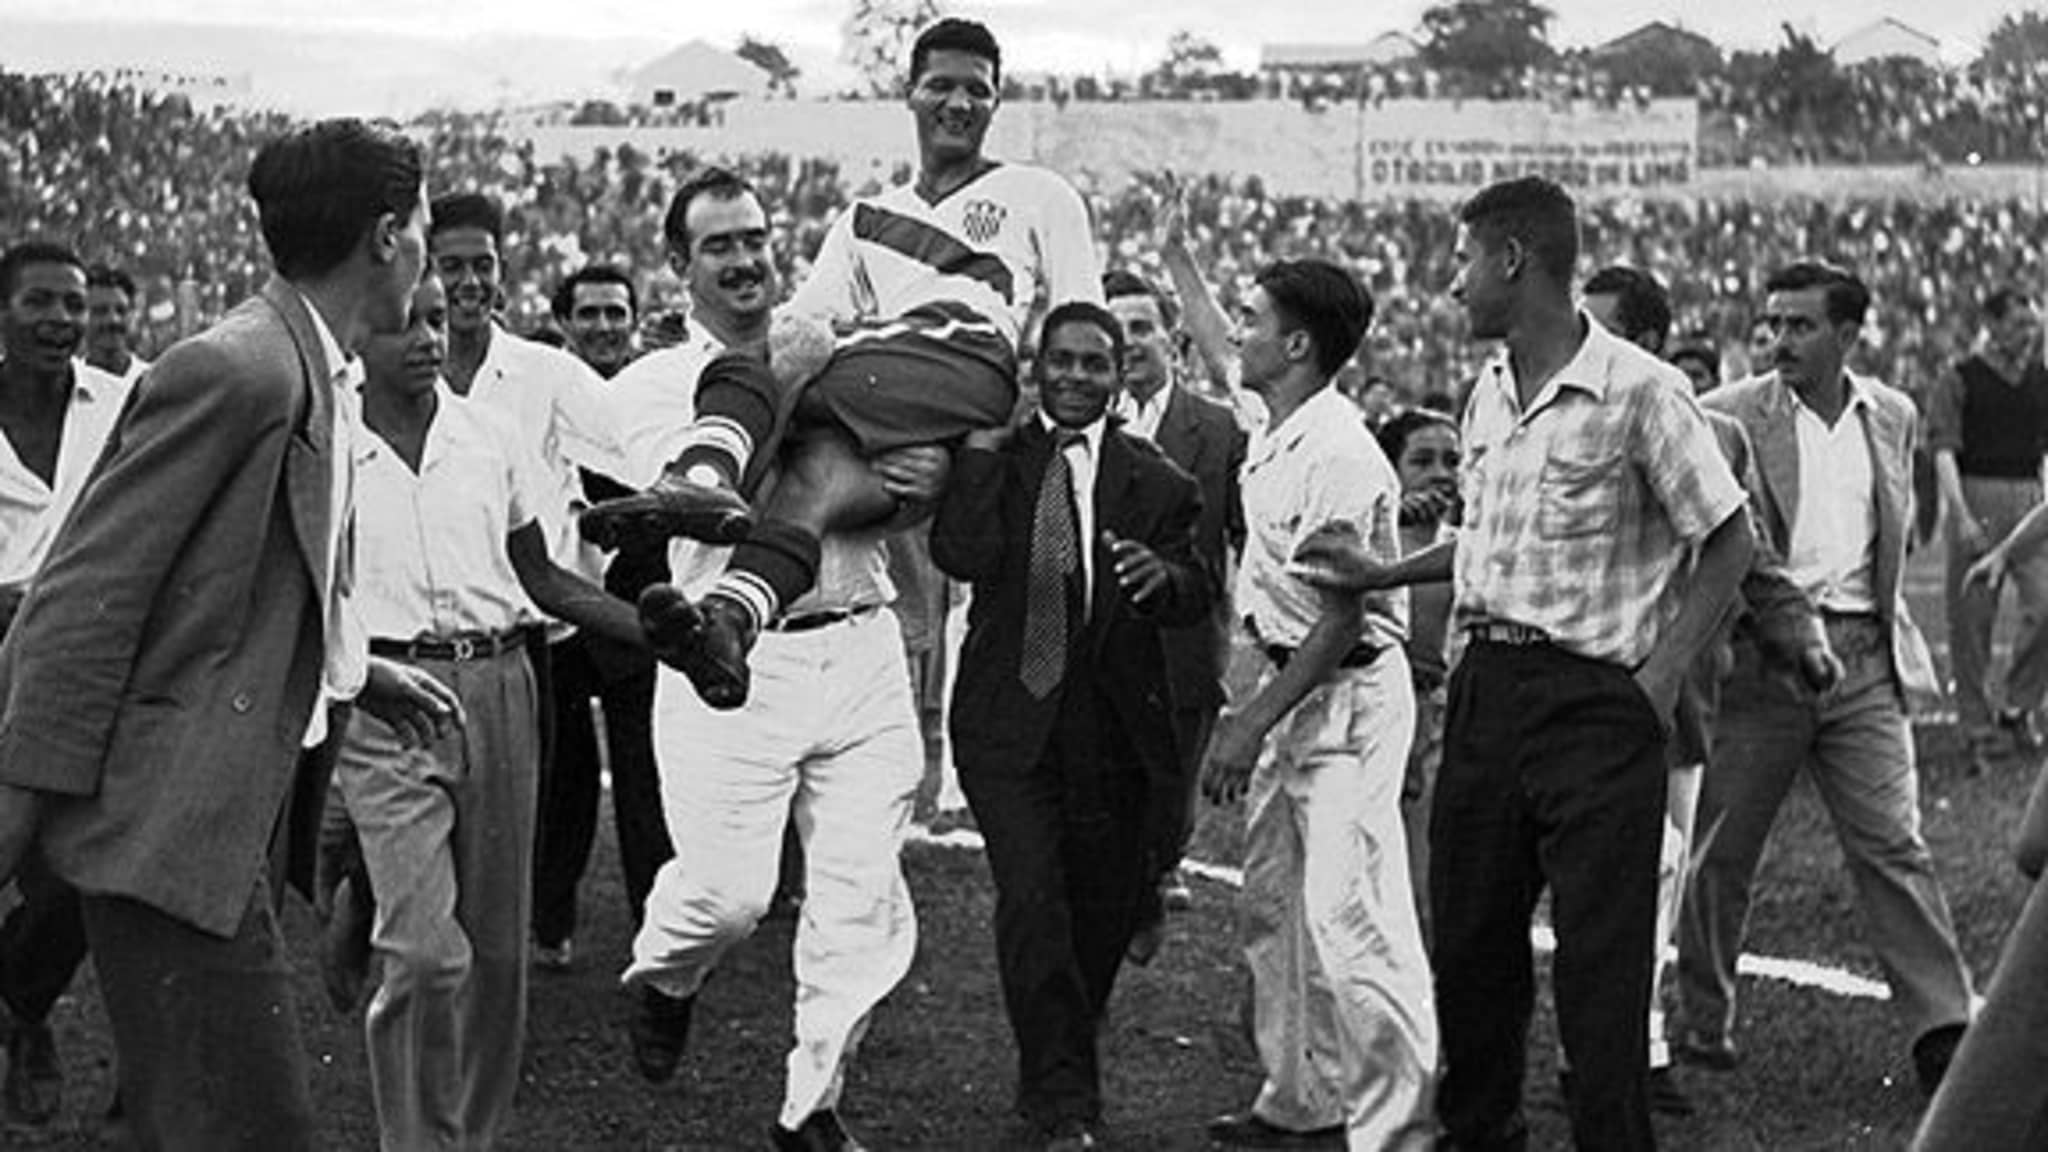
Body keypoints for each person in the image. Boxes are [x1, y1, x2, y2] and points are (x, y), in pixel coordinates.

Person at [0, 118, 458, 1151]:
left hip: (219, 818)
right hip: (165, 820)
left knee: (206, 1115)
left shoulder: (309, 366)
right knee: (246, 1125)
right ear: (386, 235)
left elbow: (233, 586)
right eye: (422, 225)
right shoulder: (242, 372)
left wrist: (350, 667)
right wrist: (17, 814)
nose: (424, 245)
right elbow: (81, 601)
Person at [1296, 177, 1753, 1150]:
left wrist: (1660, 677)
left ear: (1510, 258)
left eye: (1462, 261)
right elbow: (1477, 544)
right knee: (1469, 949)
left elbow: (1727, 540)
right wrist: (1380, 571)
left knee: (1599, 965)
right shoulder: (1486, 392)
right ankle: (1479, 1136)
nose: (1451, 285)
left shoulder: (1639, 388)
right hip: (1485, 689)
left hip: (1595, 700)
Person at [587, 17, 1101, 713]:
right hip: (896, 401)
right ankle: (730, 624)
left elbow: (1082, 331)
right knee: (812, 482)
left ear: (996, 101)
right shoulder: (863, 218)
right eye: (941, 85)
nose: (959, 103)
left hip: (964, 354)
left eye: (977, 90)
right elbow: (800, 321)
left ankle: (704, 477)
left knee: (762, 367)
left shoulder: (1039, 194)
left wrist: (991, 439)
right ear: (909, 93)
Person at [612, 165, 949, 1152]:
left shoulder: (845, 357)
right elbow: (717, 502)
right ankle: (667, 978)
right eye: (718, 244)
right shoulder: (651, 385)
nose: (746, 258)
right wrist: (790, 375)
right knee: (727, 899)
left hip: (856, 638)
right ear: (679, 266)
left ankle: (812, 1106)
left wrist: (916, 481)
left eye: (756, 238)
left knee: (857, 896)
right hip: (731, 666)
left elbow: (902, 487)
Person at [338, 271, 643, 1151]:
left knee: (498, 958)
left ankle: (468, 1140)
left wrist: (659, 634)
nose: (431, 338)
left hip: (502, 684)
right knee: (428, 955)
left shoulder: (492, 435)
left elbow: (543, 577)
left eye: (438, 321)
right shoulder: (329, 445)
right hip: (386, 700)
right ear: (360, 335)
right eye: (406, 324)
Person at [1678, 262, 1978, 1098]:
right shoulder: (1727, 414)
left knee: (1893, 841)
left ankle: (1943, 1028)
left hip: (1862, 656)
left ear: (1848, 336)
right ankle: (1704, 1017)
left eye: (1800, 326)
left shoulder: (1894, 414)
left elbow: (1894, 527)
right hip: (1759, 659)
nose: (1778, 341)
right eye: (1771, 323)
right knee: (1721, 853)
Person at [931, 301, 1209, 1150]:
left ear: (1121, 373)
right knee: (1033, 899)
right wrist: (980, 452)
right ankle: (1065, 1106)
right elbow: (962, 554)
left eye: (1097, 363)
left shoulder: (1155, 480)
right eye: (1063, 361)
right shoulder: (998, 459)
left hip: (1112, 724)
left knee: (1098, 913)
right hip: (1008, 722)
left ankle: (1051, 1068)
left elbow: (1197, 586)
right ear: (1036, 369)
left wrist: (1163, 576)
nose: (1079, 377)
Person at [1582, 263, 1836, 1120]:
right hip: (1570, 685)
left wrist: (1799, 635)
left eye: (1601, 326)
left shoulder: (1718, 438)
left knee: (1657, 873)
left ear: (1647, 341)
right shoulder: (1563, 418)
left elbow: (1751, 558)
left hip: (1675, 695)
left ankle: (1634, 1050)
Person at [1200, 260, 1437, 1150]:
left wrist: (1248, 723)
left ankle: (1398, 1132)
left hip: (1341, 698)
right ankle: (1301, 1099)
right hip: (1290, 690)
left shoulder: (1338, 452)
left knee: (1351, 921)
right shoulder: (1280, 416)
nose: (1236, 331)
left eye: (1252, 319)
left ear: (1296, 346)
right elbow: (1214, 331)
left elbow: (1343, 618)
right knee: (1274, 908)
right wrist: (1183, 253)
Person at [426, 192, 633, 971]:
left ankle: (525, 940)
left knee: (529, 809)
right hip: (417, 640)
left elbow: (628, 440)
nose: (469, 282)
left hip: (524, 636)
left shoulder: (546, 373)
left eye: (483, 265)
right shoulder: (390, 370)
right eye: (452, 266)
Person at [0, 241, 131, 1129]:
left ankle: (22, 1007)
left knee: (80, 863)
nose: (60, 321)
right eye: (39, 303)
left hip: (89, 660)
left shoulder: (123, 406)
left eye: (73, 305)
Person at [527, 262, 671, 965]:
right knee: (563, 781)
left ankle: (657, 930)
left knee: (647, 780)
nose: (605, 327)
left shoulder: (653, 395)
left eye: (617, 313)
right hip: (558, 609)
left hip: (639, 610)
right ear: (564, 323)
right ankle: (550, 922)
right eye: (589, 314)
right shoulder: (541, 394)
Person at [1101, 267, 1246, 959]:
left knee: (1171, 793)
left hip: (1184, 641)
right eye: (1114, 329)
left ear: (1172, 340)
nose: (1127, 344)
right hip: (1094, 640)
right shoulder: (1077, 424)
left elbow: (1256, 525)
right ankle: (1124, 886)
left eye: (1140, 328)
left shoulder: (1217, 430)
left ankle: (1156, 870)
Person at [1928, 287, 2048, 774]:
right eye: (2019, 322)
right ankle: (1977, 728)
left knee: (2045, 605)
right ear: (1993, 324)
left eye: (2032, 322)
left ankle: (2018, 708)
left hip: (2028, 496)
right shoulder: (1959, 379)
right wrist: (1958, 511)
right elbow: (1943, 450)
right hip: (1976, 494)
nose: (2029, 331)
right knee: (1972, 618)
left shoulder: (2042, 379)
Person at [1373, 407, 1461, 953]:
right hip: (1380, 714)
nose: (1439, 472)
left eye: (1451, 460)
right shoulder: (1375, 543)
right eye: (1421, 460)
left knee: (1430, 880)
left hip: (1448, 724)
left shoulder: (1472, 539)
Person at [82, 264, 148, 384]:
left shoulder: (152, 385)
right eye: (100, 311)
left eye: (121, 311)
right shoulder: (69, 383)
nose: (113, 320)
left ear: (133, 314)